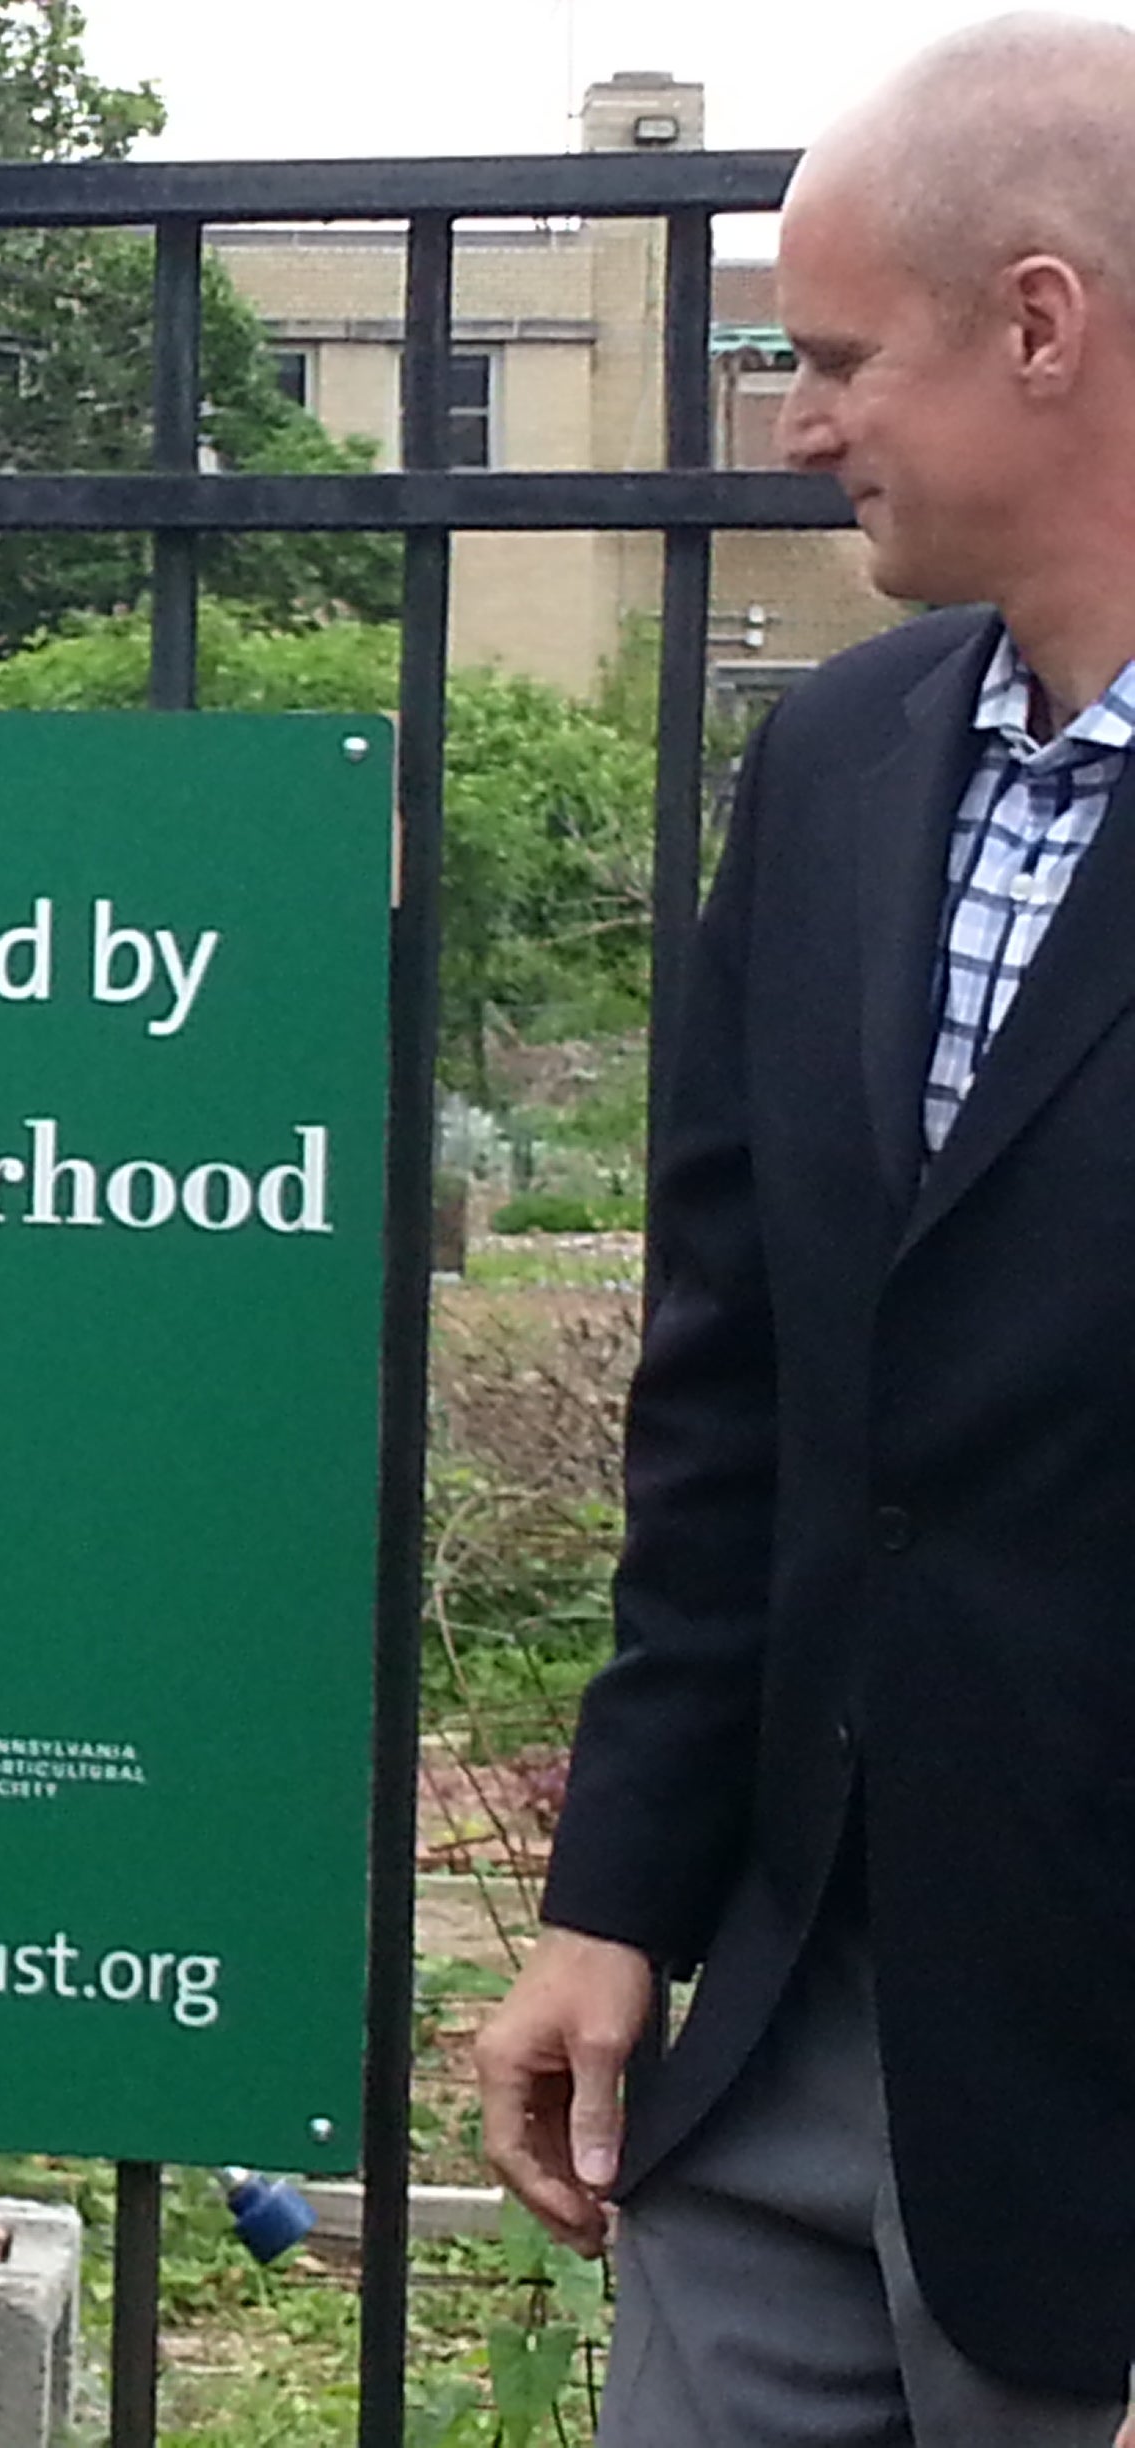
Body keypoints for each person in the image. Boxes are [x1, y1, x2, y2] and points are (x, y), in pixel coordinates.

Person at [474, 17, 1135, 2443]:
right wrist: (613, 1901)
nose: (794, 423)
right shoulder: (843, 765)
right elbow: (735, 1389)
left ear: (1042, 324)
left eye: (840, 358)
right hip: (773, 2070)